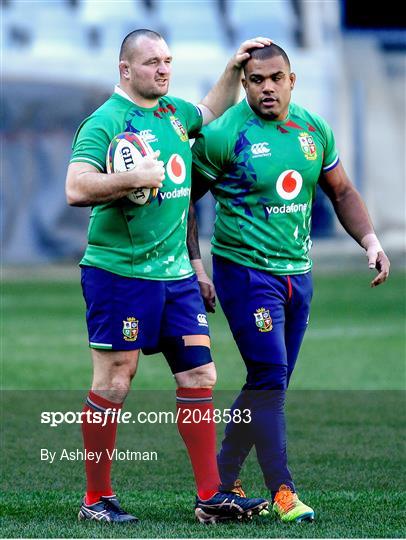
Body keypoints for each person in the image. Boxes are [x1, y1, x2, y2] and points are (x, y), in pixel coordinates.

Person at [65, 29, 271, 524]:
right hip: (120, 274)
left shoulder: (174, 114)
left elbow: (209, 108)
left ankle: (210, 497)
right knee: (116, 380)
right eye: (152, 62)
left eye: (167, 61)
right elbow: (76, 186)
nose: (163, 69)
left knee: (200, 374)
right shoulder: (106, 122)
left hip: (176, 276)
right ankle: (96, 499)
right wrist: (132, 179)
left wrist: (231, 69)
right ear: (125, 70)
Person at [189, 43, 390, 523]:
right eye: (257, 80)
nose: (267, 88)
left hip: (298, 276)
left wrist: (371, 241)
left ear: (292, 80)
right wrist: (197, 267)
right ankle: (283, 493)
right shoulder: (222, 134)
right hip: (244, 274)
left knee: (268, 381)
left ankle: (220, 482)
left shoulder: (312, 129)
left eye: (276, 78)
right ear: (244, 83)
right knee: (271, 378)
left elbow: (341, 190)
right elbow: (183, 202)